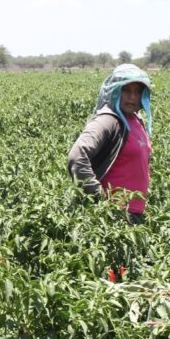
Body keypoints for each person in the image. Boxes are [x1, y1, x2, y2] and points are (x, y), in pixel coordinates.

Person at [68, 64, 153, 225]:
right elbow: (77, 156)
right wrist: (97, 195)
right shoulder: (108, 120)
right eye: (126, 90)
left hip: (135, 211)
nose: (132, 97)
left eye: (137, 91)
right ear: (114, 91)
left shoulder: (135, 120)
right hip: (113, 215)